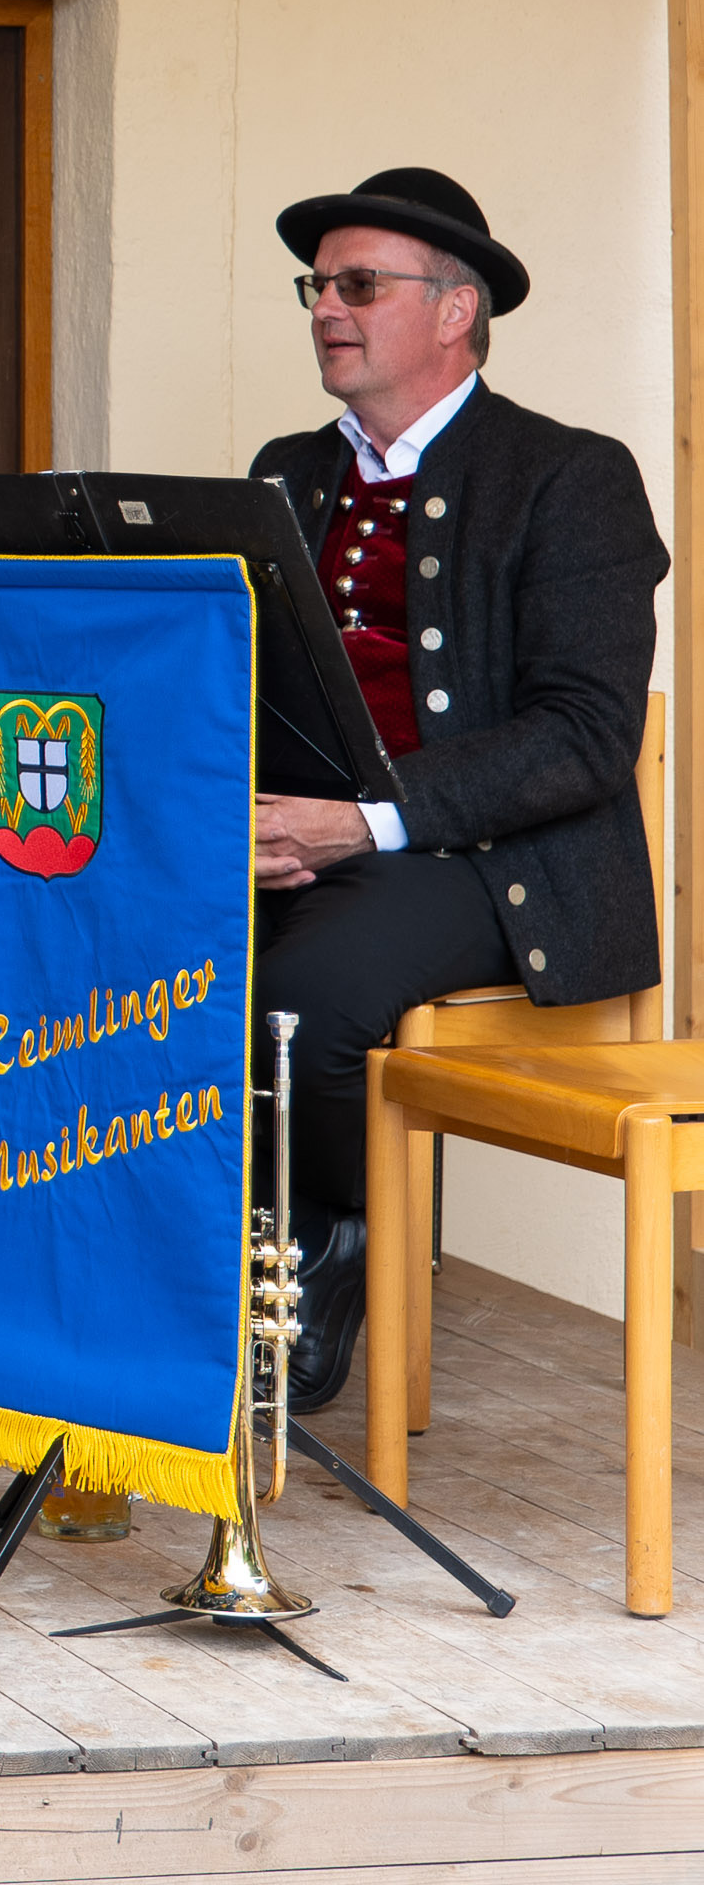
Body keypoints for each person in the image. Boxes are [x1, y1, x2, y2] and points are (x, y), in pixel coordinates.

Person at [247, 168, 663, 1405]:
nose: (328, 306)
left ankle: (330, 1232)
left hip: (499, 862)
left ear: (454, 309)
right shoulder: (286, 465)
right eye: (317, 285)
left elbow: (585, 735)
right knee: (124, 955)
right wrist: (246, 821)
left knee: (306, 993)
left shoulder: (569, 473)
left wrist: (362, 821)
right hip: (309, 844)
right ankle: (172, 1280)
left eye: (358, 283)